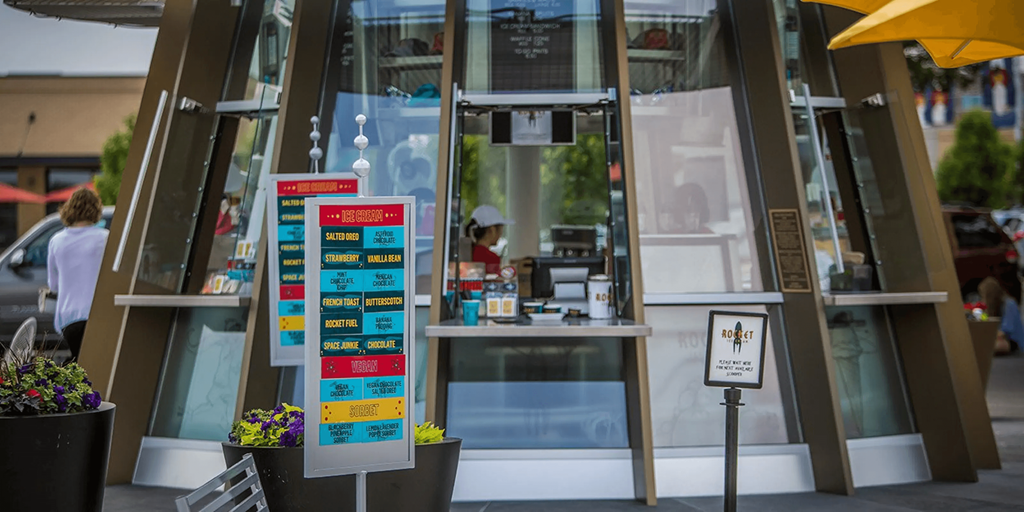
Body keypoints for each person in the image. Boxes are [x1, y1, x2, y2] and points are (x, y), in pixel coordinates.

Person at [47, 188, 109, 360]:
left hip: (68, 318)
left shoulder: (56, 241)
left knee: (78, 363)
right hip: (100, 314)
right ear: (95, 210)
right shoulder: (105, 238)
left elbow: (53, 285)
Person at [978, 276, 1024, 353]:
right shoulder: (990, 307)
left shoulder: (1009, 304)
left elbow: (1006, 329)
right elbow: (985, 321)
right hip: (1000, 339)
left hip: (1013, 341)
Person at [465, 205, 514, 274]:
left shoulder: (469, 252)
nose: (501, 233)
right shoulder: (491, 258)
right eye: (500, 228)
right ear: (492, 230)